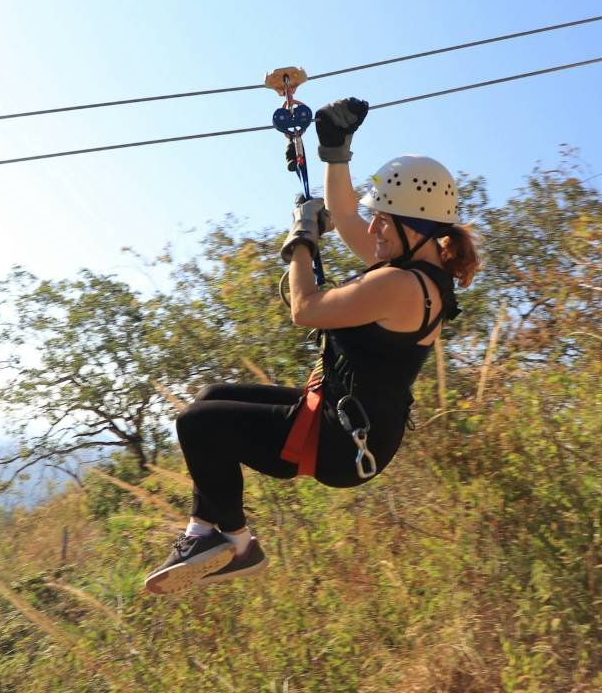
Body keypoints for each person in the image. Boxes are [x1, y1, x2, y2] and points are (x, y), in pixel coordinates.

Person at [144, 98, 480, 595]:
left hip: (342, 444)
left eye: (382, 221)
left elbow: (305, 308)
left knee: (196, 424)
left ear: (416, 227)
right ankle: (201, 533)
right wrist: (335, 152)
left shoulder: (401, 286)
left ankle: (237, 544)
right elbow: (344, 214)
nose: (371, 230)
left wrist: (300, 241)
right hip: (343, 420)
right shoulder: (417, 270)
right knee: (212, 397)